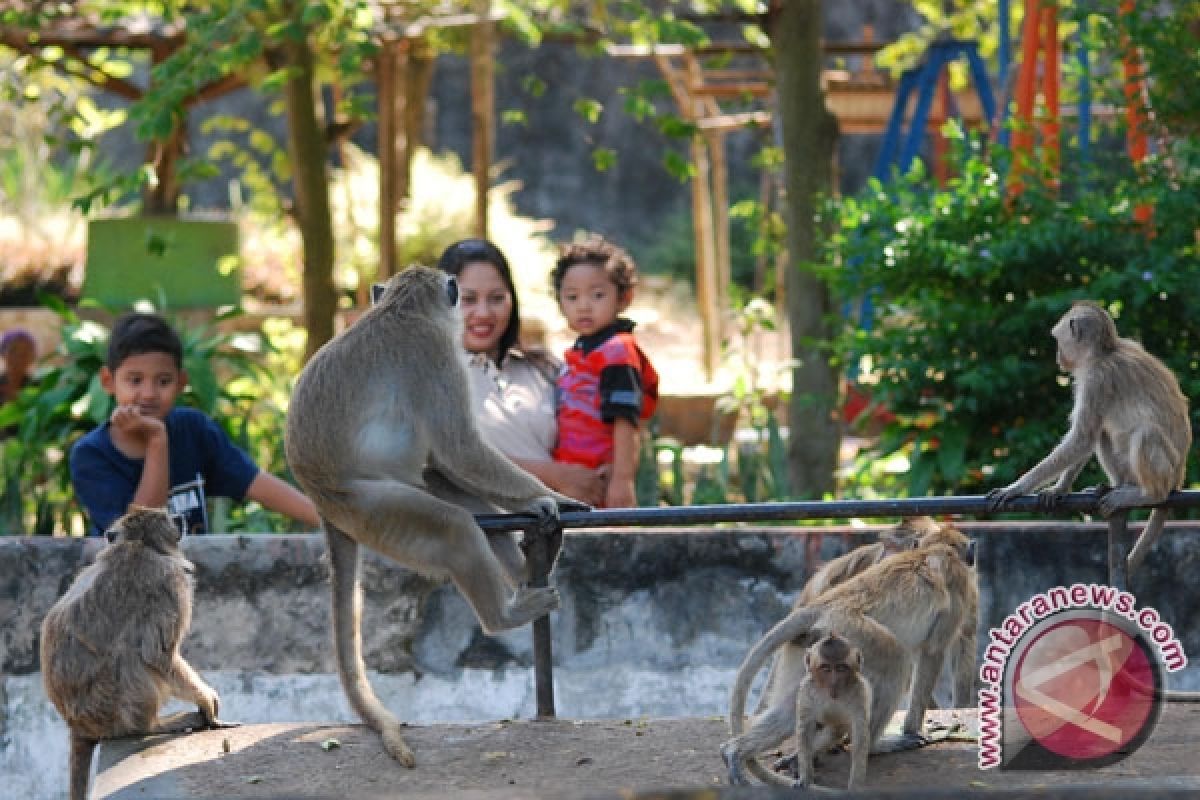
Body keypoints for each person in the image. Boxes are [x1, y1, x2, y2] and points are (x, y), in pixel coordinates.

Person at [69, 312, 321, 536]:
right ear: (108, 381)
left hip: (191, 580)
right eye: (135, 380)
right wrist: (157, 440)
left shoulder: (194, 430)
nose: (148, 393)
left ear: (181, 383)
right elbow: (141, 538)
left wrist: (333, 523)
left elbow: (253, 482)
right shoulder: (92, 454)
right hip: (128, 585)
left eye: (163, 381)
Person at [436, 238, 608, 507]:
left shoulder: (544, 368)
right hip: (482, 540)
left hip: (560, 534)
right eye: (468, 299)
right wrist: (554, 476)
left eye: (496, 298)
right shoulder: (427, 378)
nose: (483, 313)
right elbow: (443, 460)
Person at [551, 235, 658, 509]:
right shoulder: (581, 351)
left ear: (624, 298)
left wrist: (622, 481)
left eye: (597, 295)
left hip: (603, 478)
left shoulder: (617, 353)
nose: (583, 306)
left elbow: (625, 421)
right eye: (572, 297)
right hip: (576, 475)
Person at [0, 328, 37, 404]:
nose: (19, 357)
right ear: (3, 353)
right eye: (13, 351)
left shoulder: (38, 386)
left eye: (25, 353)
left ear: (32, 358)